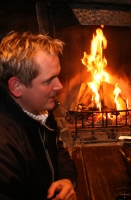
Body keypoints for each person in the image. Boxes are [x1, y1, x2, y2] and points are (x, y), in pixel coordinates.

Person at [0, 31, 77, 200]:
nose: (60, 86)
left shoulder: (39, 110)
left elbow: (56, 147)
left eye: (57, 76)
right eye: (48, 80)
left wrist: (66, 178)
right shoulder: (5, 148)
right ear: (17, 87)